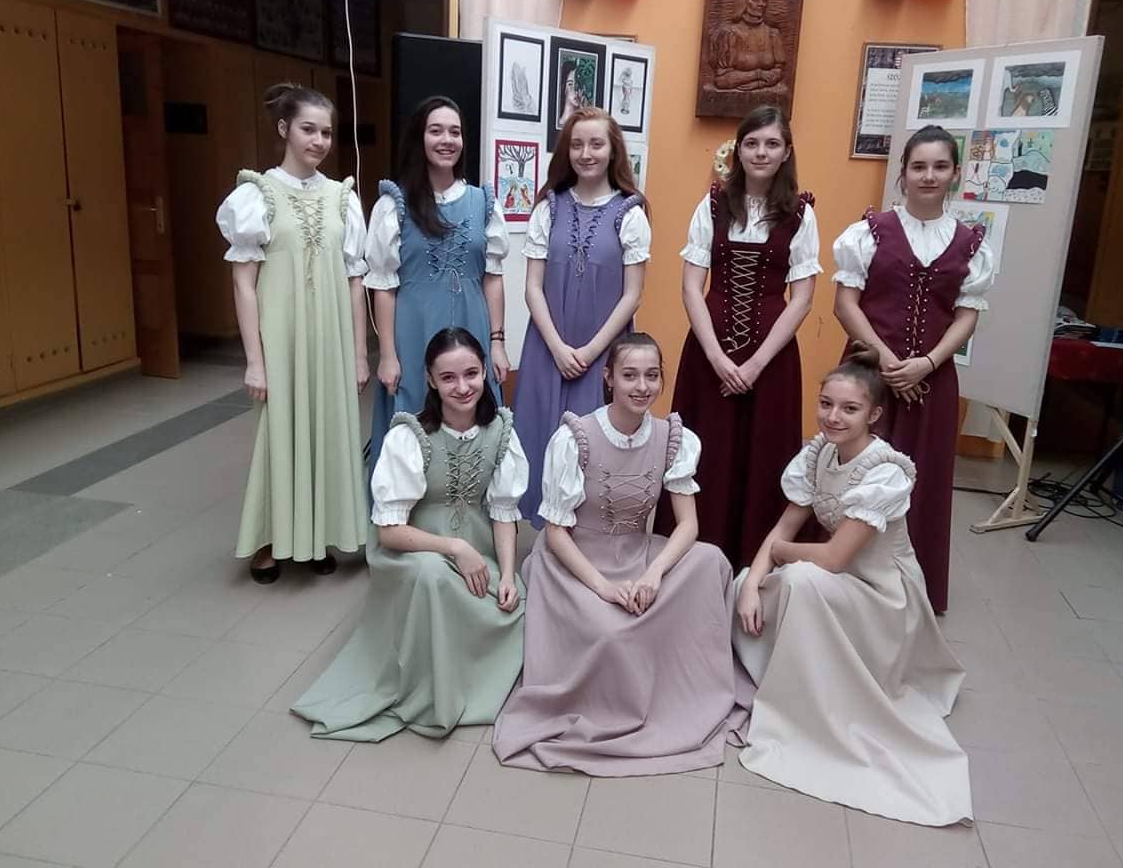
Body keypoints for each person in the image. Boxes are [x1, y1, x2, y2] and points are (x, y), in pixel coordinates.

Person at [732, 343, 971, 826]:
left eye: (849, 409)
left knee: (799, 578)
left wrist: (780, 556)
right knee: (742, 582)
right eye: (826, 404)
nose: (833, 417)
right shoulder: (818, 454)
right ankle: (790, 676)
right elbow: (783, 528)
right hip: (839, 580)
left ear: (874, 415)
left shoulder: (885, 472)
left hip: (883, 596)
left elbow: (834, 558)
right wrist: (753, 583)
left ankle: (810, 700)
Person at [494, 333, 751, 776]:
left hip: (638, 553)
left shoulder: (673, 438)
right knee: (613, 633)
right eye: (630, 375)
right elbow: (555, 533)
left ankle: (687, 685)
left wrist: (653, 574)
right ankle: (618, 708)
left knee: (712, 562)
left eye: (652, 376)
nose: (642, 386)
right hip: (575, 560)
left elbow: (688, 526)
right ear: (608, 378)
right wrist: (605, 588)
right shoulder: (575, 437)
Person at [293, 328, 528, 742]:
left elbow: (503, 514)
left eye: (471, 373)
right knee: (434, 578)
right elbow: (388, 533)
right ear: (431, 380)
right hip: (413, 552)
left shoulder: (501, 432)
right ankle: (429, 689)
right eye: (448, 377)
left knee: (517, 604)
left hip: (478, 550)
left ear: (485, 373)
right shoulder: (409, 436)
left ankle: (468, 676)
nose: (463, 387)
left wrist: (508, 574)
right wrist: (453, 547)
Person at [832, 124, 994, 613]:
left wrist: (926, 363)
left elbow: (967, 316)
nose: (928, 176)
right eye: (919, 166)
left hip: (932, 381)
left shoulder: (969, 244)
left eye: (940, 166)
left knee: (923, 480)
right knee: (855, 474)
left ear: (955, 173)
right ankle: (843, 575)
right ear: (902, 173)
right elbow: (845, 304)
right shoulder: (869, 233)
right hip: (867, 375)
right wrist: (886, 359)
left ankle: (911, 589)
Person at [655, 104, 821, 569]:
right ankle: (693, 562)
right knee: (705, 453)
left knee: (764, 456)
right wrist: (716, 357)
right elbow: (692, 287)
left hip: (772, 358)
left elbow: (802, 299)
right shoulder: (712, 206)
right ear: (738, 151)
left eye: (772, 143)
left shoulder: (800, 214)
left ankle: (754, 563)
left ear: (786, 151)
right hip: (709, 352)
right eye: (752, 143)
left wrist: (755, 364)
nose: (761, 152)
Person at [216, 82, 369, 584]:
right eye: (308, 129)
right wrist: (255, 361)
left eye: (327, 132)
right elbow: (244, 283)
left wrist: (358, 354)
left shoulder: (342, 198)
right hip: (280, 339)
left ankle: (316, 536)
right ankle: (268, 541)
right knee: (278, 434)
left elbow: (355, 281)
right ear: (284, 129)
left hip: (330, 339)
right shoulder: (255, 194)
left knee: (326, 429)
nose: (319, 140)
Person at [512, 107, 651, 527]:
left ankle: (589, 540)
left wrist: (590, 352)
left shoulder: (630, 213)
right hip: (547, 347)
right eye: (576, 144)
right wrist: (557, 347)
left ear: (613, 150)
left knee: (593, 446)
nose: (586, 153)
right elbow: (532, 287)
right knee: (540, 437)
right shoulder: (548, 208)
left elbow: (632, 295)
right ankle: (544, 539)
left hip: (602, 352)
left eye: (596, 144)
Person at [367, 96, 511, 468]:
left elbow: (493, 277)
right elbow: (383, 286)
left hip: (473, 325)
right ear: (420, 137)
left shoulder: (483, 202)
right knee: (414, 423)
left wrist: (497, 342)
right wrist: (387, 354)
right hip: (414, 331)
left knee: (475, 416)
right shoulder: (394, 204)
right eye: (436, 131)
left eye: (455, 132)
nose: (447, 140)